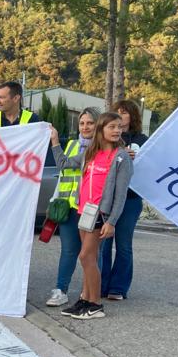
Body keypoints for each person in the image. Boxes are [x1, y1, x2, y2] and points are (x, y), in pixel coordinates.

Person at [58, 112, 133, 320]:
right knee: (88, 259)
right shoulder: (91, 152)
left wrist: (111, 221)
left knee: (85, 256)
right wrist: (55, 142)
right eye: (112, 127)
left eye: (119, 127)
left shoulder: (121, 158)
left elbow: (120, 194)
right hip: (84, 210)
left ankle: (95, 304)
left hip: (101, 213)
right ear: (101, 130)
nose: (117, 130)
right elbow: (64, 164)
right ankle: (85, 299)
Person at [45, 108, 98, 307]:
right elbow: (63, 170)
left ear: (97, 125)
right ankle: (61, 290)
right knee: (68, 251)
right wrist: (55, 199)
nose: (85, 127)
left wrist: (55, 143)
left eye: (90, 123)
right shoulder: (73, 145)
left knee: (90, 254)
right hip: (68, 207)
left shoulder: (103, 148)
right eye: (82, 123)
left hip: (91, 209)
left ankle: (91, 294)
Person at [99, 99, 148, 301]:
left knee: (124, 244)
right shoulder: (109, 138)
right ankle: (100, 285)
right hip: (108, 199)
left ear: (133, 116)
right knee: (103, 244)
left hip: (131, 199)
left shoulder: (142, 139)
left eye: (125, 113)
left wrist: (136, 156)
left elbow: (150, 165)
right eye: (118, 112)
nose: (121, 116)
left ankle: (118, 288)